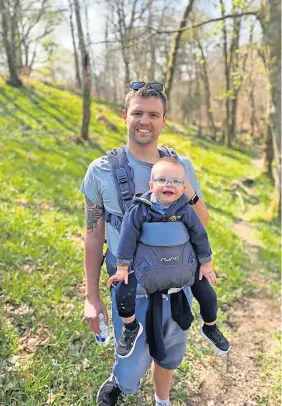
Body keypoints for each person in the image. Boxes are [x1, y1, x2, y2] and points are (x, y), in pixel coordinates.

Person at [81, 81, 211, 406]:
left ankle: (162, 399)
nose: (145, 121)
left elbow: (202, 221)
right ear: (125, 115)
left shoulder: (180, 167)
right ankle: (120, 381)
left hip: (174, 284)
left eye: (154, 114)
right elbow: (93, 233)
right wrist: (91, 296)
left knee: (167, 352)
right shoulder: (101, 171)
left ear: (164, 120)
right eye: (138, 113)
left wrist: (187, 191)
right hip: (130, 287)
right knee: (131, 356)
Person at [107, 157, 230, 359]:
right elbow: (127, 239)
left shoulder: (185, 210)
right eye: (162, 180)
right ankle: (130, 328)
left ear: (183, 189)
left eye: (176, 181)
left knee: (207, 294)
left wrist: (206, 264)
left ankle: (210, 326)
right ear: (151, 185)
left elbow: (200, 235)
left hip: (184, 265)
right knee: (123, 291)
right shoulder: (140, 209)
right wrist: (122, 267)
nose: (169, 185)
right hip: (146, 267)